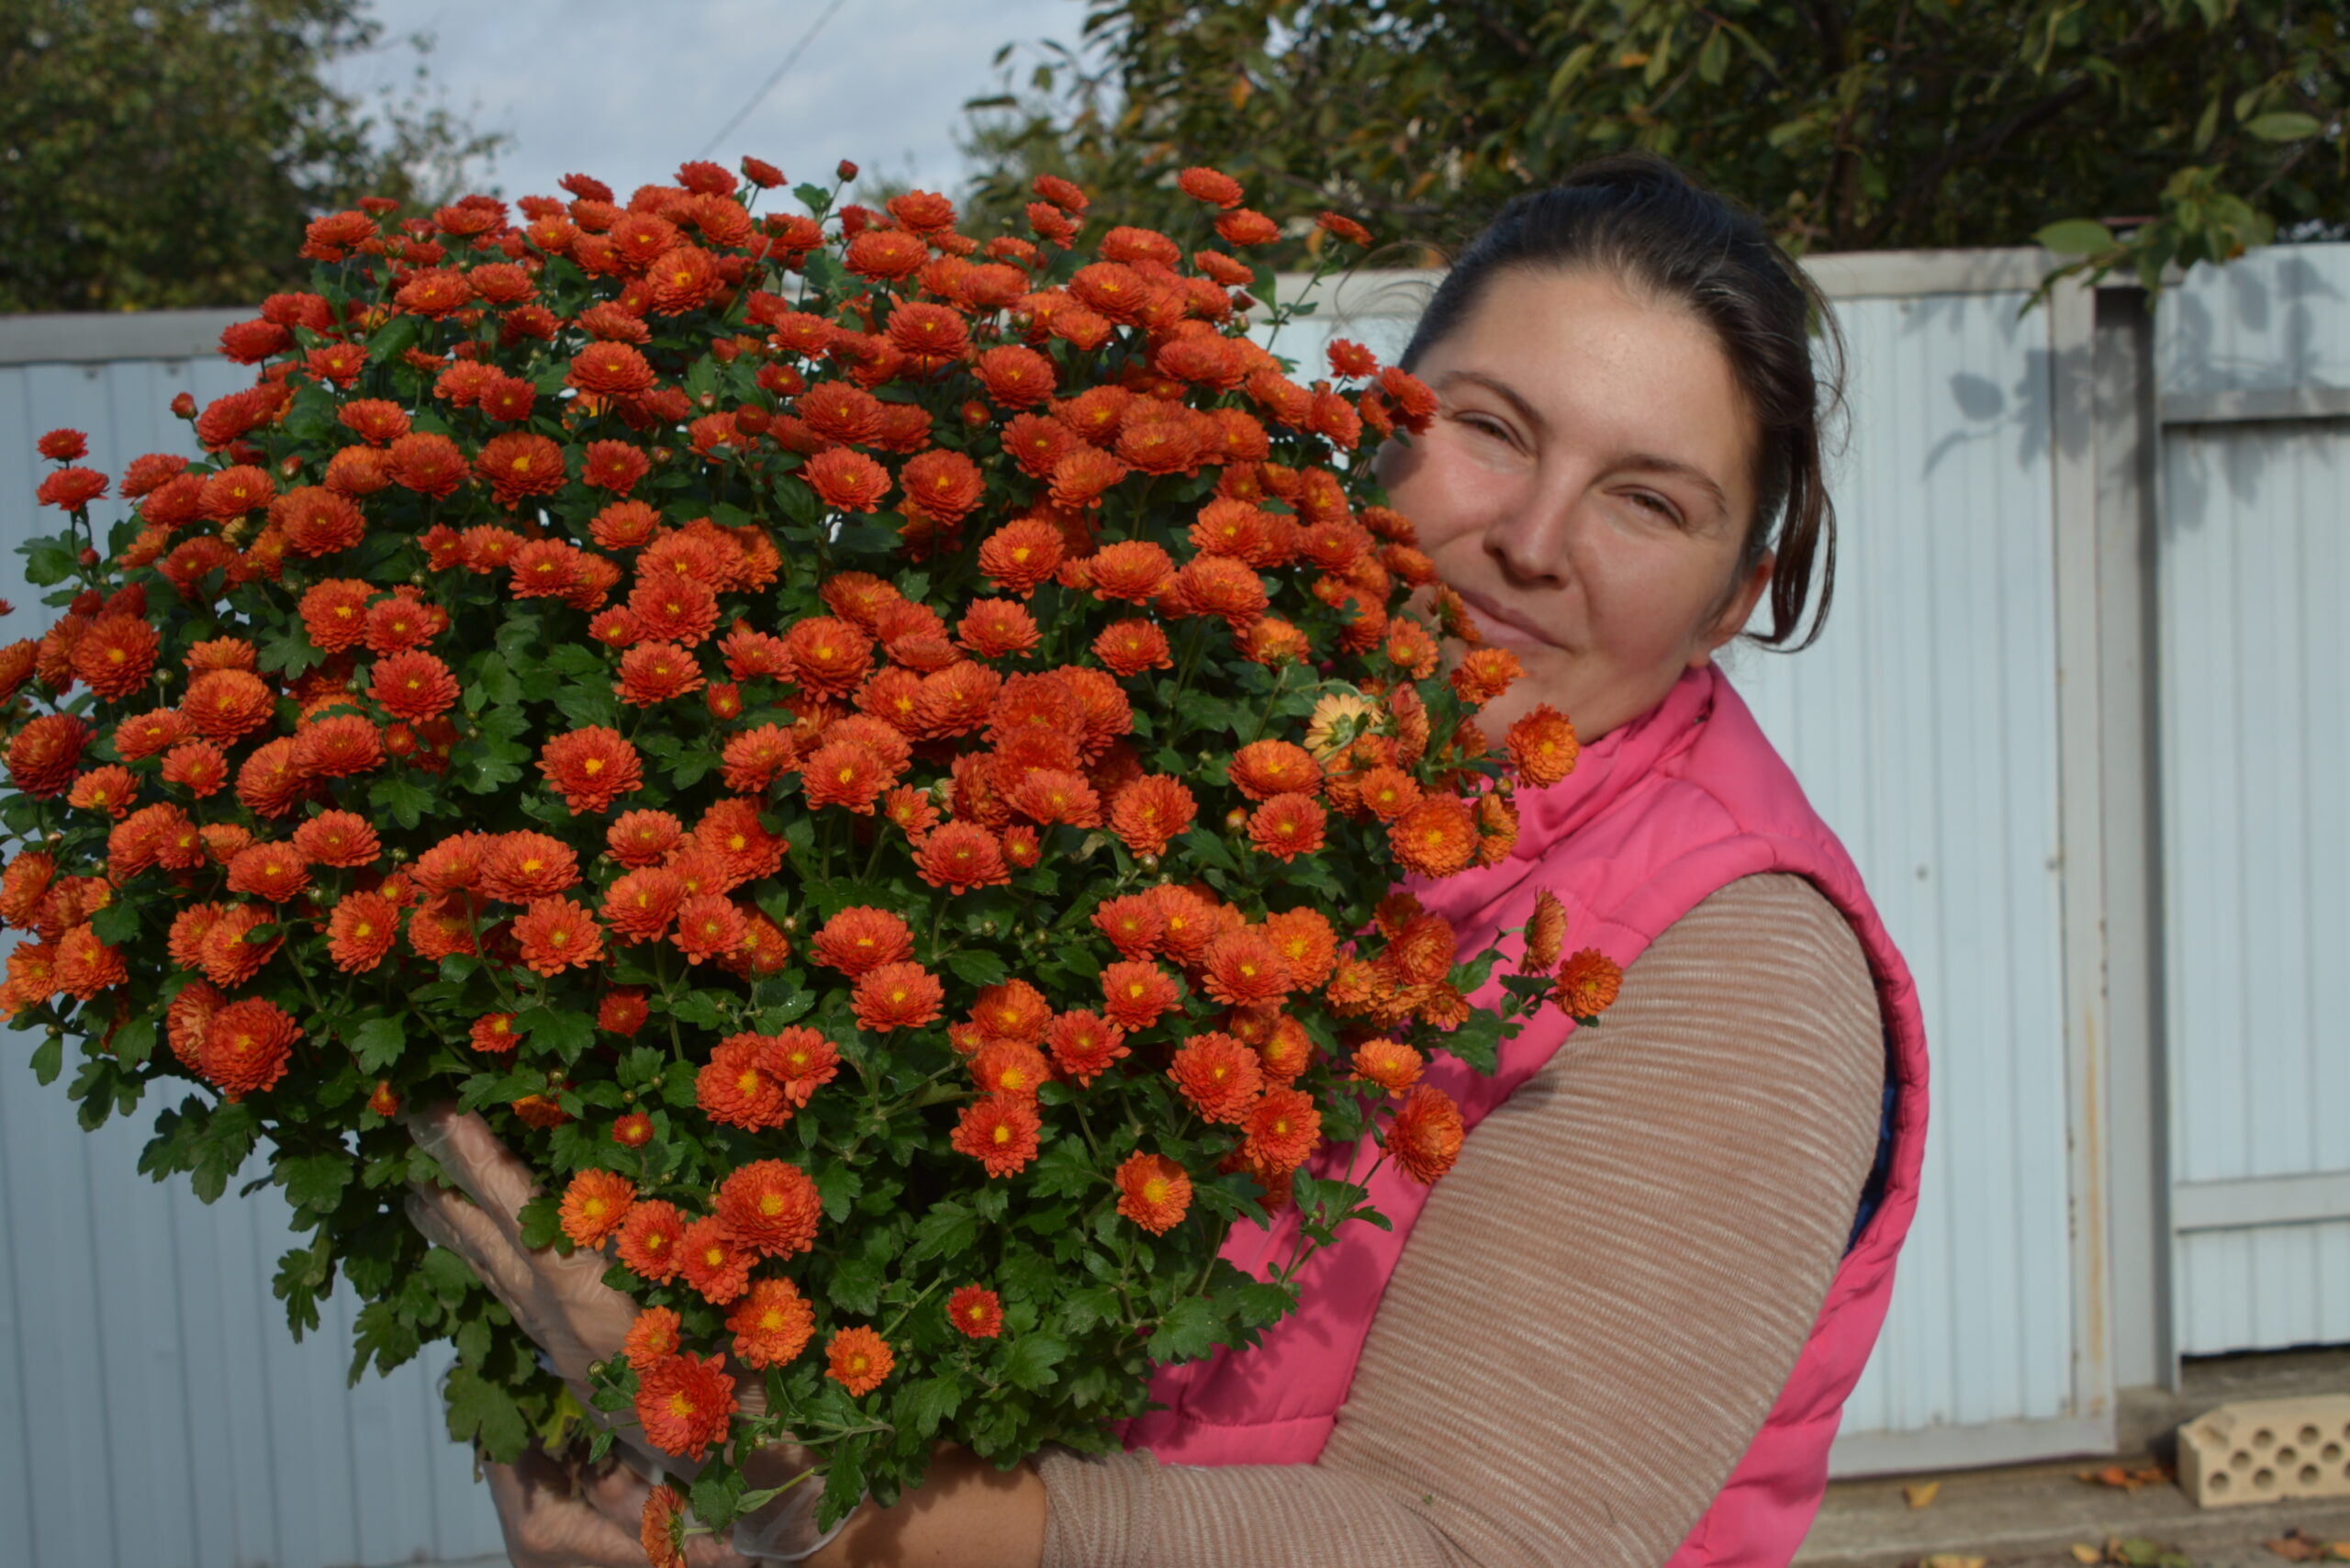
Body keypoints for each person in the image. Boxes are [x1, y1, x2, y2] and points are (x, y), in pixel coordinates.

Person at [406, 152, 1929, 1568]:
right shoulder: (1224, 753)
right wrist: (612, 1459)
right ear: (1385, 423)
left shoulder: (1740, 967)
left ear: (1741, 595)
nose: (1533, 538)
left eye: (1648, 499)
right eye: (1492, 428)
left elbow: (1469, 1547)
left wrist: (766, 1470)